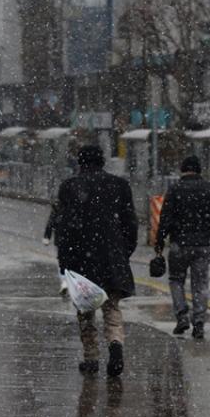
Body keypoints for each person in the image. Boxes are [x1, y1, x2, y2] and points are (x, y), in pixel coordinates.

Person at [51, 145, 138, 377]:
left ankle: (91, 357)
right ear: (102, 161)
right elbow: (131, 224)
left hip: (81, 258)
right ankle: (116, 344)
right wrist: (123, 251)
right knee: (112, 307)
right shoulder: (120, 186)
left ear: (80, 162)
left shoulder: (69, 187)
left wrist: (65, 260)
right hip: (112, 257)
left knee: (85, 308)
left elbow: (64, 228)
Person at [153, 155, 210, 338]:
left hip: (179, 244)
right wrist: (207, 229)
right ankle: (199, 321)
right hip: (202, 244)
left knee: (176, 280)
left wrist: (160, 242)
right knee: (200, 283)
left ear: (182, 170)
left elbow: (165, 219)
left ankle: (182, 316)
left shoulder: (175, 189)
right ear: (199, 170)